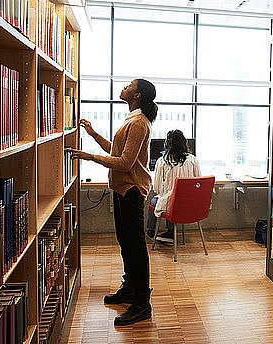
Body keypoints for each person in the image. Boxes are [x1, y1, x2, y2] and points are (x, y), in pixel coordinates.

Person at [69, 78, 157, 326]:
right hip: (122, 189)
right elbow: (118, 154)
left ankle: (142, 303)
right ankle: (129, 289)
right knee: (126, 242)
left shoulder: (139, 122)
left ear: (137, 95)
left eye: (129, 85)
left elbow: (126, 164)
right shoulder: (132, 118)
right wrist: (94, 135)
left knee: (135, 246)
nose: (124, 87)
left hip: (131, 190)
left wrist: (90, 157)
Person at [147, 129, 201, 243]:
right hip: (190, 204)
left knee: (156, 200)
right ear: (184, 143)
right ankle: (171, 232)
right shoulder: (193, 160)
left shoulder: (162, 161)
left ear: (167, 144)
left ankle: (150, 231)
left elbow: (156, 189)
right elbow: (199, 183)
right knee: (172, 198)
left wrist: (167, 189)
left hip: (172, 205)